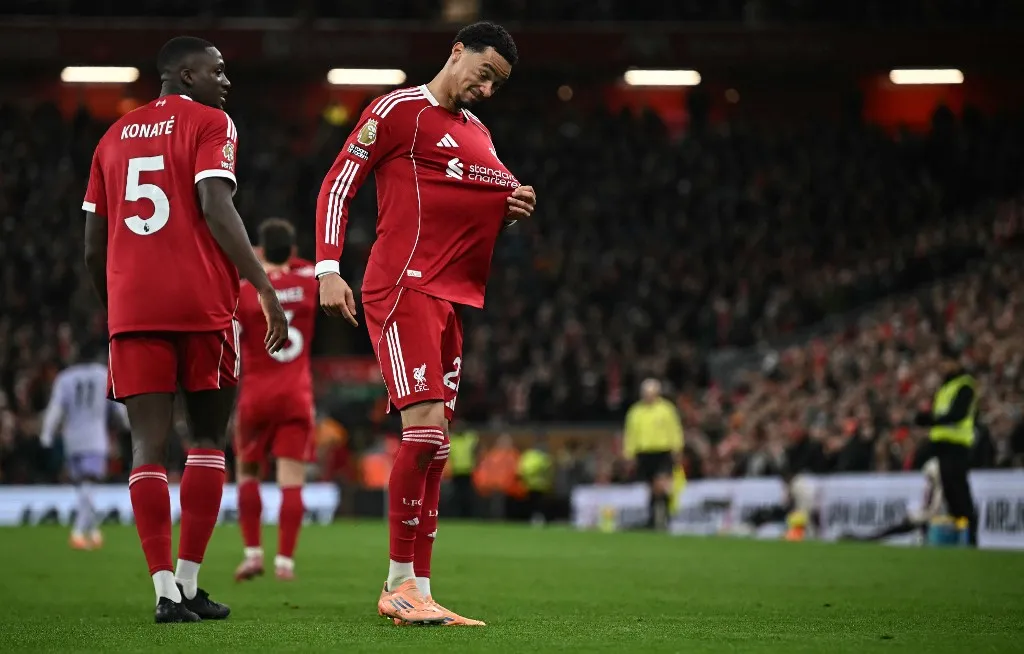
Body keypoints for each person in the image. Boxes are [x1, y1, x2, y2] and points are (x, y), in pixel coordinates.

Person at [315, 21, 535, 626]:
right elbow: (339, 182)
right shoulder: (398, 110)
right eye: (483, 74)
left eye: (497, 85)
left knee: (437, 448)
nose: (487, 90)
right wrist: (327, 268)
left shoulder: (478, 133)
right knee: (424, 433)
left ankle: (421, 587)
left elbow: (473, 195)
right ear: (457, 52)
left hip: (449, 298)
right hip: (402, 284)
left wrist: (510, 207)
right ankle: (396, 584)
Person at [82, 35, 288, 623]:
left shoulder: (110, 138)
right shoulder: (211, 123)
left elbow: (93, 243)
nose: (226, 81)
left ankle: (166, 591)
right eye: (217, 71)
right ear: (187, 75)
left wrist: (114, 304)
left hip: (133, 309)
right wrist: (263, 286)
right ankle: (191, 580)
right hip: (201, 305)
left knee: (146, 447)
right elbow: (214, 203)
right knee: (206, 439)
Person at [233, 219, 319, 582]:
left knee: (247, 473)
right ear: (294, 250)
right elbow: (306, 265)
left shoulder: (246, 292)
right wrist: (283, 261)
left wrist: (258, 262)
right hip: (296, 394)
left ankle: (253, 555)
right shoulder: (309, 282)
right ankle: (285, 563)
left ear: (262, 250)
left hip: (256, 393)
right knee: (292, 481)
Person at [39, 344, 129, 550]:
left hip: (73, 440)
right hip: (95, 439)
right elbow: (117, 404)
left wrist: (46, 435)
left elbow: (55, 408)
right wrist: (126, 423)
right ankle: (78, 533)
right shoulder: (102, 374)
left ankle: (93, 531)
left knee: (82, 486)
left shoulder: (65, 377)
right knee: (89, 485)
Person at [914, 342, 979, 546]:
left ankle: (970, 539)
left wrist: (930, 419)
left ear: (956, 362)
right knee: (951, 495)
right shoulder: (947, 385)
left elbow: (957, 414)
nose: (942, 366)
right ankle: (959, 538)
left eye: (945, 362)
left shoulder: (965, 385)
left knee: (960, 494)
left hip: (957, 445)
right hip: (942, 445)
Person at [623, 379, 684, 530]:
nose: (648, 396)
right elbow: (630, 434)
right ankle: (654, 518)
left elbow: (674, 430)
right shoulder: (635, 411)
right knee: (650, 487)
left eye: (651, 393)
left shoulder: (666, 409)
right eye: (646, 393)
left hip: (662, 451)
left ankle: (664, 516)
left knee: (661, 485)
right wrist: (629, 454)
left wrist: (677, 448)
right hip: (644, 453)